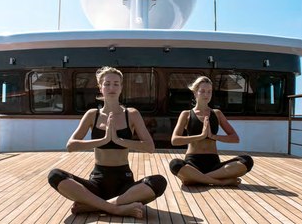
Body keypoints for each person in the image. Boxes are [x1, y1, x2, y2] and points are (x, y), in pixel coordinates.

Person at [47, 66, 167, 219]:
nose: (112, 87)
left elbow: (150, 147)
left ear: (121, 87)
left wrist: (119, 140)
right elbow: (71, 146)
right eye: (107, 83)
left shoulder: (131, 114)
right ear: (100, 87)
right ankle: (116, 209)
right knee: (55, 175)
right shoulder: (92, 115)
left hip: (124, 183)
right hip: (97, 180)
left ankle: (93, 206)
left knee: (159, 182)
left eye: (116, 84)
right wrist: (103, 140)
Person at [169, 76, 253, 186]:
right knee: (175, 164)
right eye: (202, 91)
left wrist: (213, 136)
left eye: (209, 92)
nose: (206, 95)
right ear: (195, 93)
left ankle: (195, 179)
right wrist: (201, 136)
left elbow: (235, 138)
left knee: (246, 161)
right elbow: (175, 140)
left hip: (214, 164)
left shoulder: (217, 114)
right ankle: (220, 182)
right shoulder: (186, 114)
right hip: (193, 162)